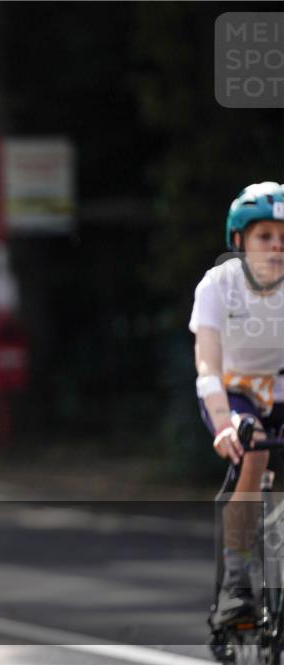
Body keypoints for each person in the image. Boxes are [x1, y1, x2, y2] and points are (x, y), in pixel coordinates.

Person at [189, 181, 284, 632]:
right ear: (239, 240)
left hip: (280, 386)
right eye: (266, 236)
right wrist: (225, 425)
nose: (277, 246)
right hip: (233, 389)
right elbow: (207, 361)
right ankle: (238, 581)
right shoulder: (218, 285)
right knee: (256, 448)